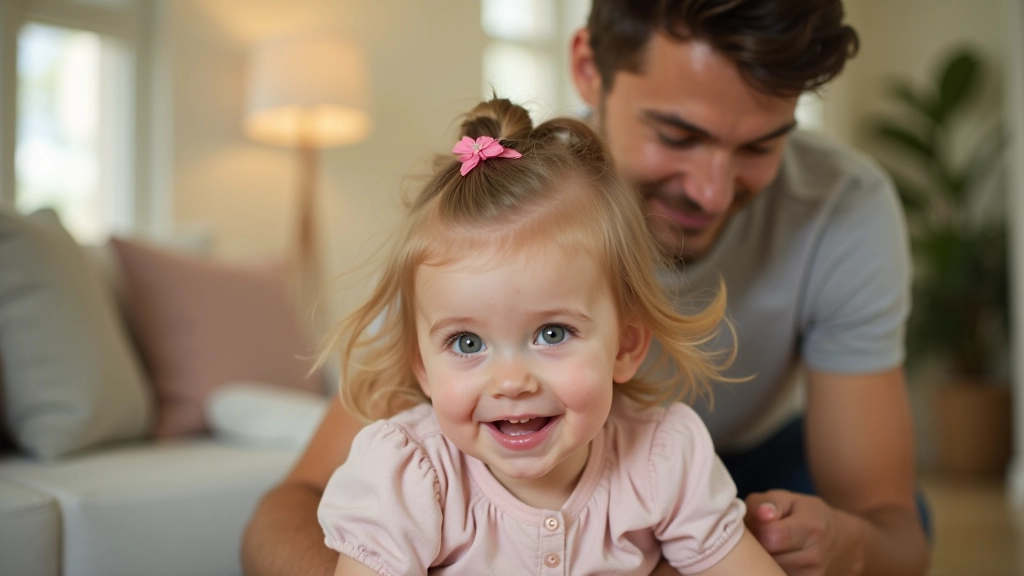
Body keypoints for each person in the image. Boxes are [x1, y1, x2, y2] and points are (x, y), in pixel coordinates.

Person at [243, 1, 930, 575]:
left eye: (758, 146)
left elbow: (896, 529)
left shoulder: (846, 206)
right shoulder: (478, 233)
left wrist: (842, 544)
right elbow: (293, 505)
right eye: (677, 134)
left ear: (631, 341)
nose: (712, 192)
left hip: (734, 462)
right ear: (586, 69)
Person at [313, 98, 784, 576]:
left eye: (552, 333)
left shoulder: (662, 460)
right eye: (467, 343)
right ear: (422, 367)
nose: (512, 382)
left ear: (625, 347)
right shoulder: (411, 477)